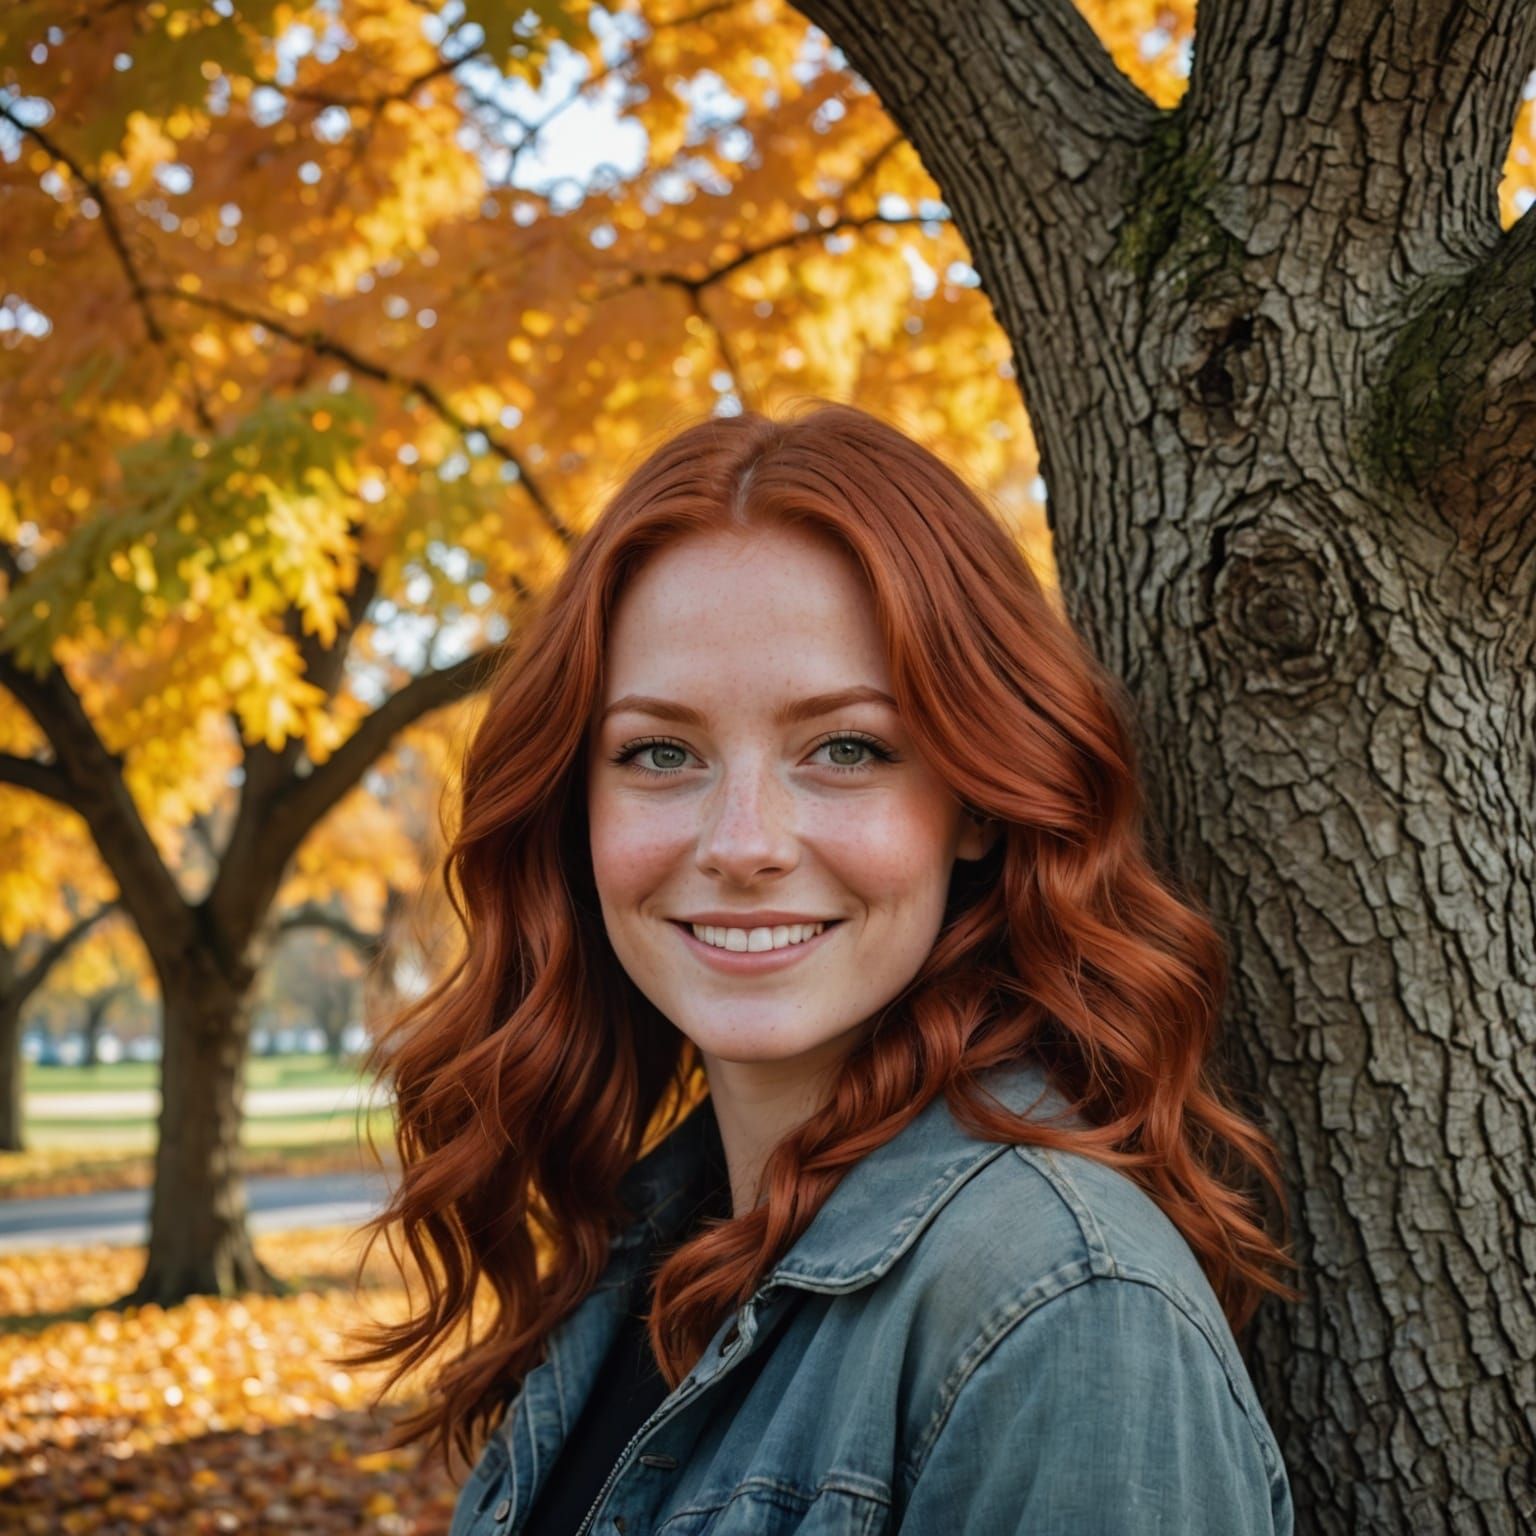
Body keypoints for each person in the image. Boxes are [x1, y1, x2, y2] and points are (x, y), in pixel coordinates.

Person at [338, 400, 1300, 1535]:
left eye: (847, 748)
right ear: (573, 805)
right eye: (659, 753)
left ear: (980, 805)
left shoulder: (1062, 1311)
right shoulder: (650, 1244)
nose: (743, 842)